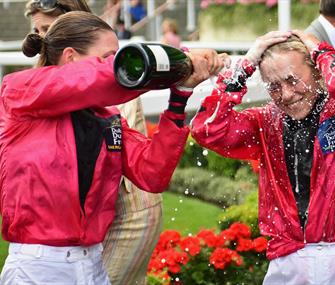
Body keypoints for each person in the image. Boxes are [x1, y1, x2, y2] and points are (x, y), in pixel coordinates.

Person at [0, 11, 220, 285]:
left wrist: (179, 97)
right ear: (70, 58)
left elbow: (152, 173)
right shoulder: (19, 91)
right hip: (38, 269)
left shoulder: (108, 118)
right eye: (108, 57)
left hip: (93, 266)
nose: (116, 65)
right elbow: (98, 78)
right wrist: (182, 61)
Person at [190, 30, 335, 284]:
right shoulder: (265, 123)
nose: (286, 94)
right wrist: (245, 65)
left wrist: (321, 51)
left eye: (292, 80)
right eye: (274, 86)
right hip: (288, 261)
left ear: (317, 71)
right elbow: (207, 128)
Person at [24, 1, 162, 284]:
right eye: (38, 30)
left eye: (49, 29)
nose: (44, 40)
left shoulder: (111, 76)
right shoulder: (50, 81)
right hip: (93, 224)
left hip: (128, 214)